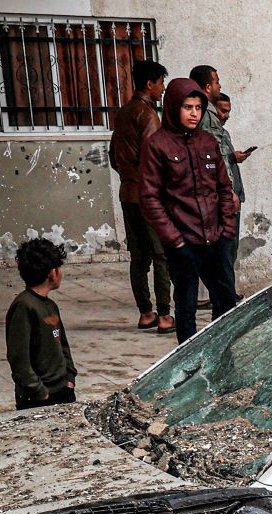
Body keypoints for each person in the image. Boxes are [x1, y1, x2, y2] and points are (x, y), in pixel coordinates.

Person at [139, 77, 238, 343]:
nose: (194, 114)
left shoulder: (207, 141)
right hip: (183, 242)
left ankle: (222, 352)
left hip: (216, 238)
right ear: (173, 107)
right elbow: (150, 199)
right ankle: (188, 363)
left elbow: (223, 188)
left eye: (198, 107)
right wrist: (175, 240)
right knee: (186, 306)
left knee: (226, 299)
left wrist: (227, 229)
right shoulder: (157, 145)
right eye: (187, 107)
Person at [109, 59, 174, 335]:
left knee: (138, 257)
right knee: (161, 256)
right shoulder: (148, 115)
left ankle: (145, 313)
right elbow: (155, 158)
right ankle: (164, 315)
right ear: (150, 83)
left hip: (128, 192)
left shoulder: (123, 112)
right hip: (148, 195)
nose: (162, 89)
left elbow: (113, 156)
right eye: (160, 83)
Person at [5, 238, 76, 411]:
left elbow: (62, 345)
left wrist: (69, 378)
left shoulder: (50, 305)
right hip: (39, 397)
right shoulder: (24, 306)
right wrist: (38, 390)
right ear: (52, 273)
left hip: (62, 389)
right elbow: (18, 357)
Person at [211, 92, 251, 271]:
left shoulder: (223, 133)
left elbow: (225, 161)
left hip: (234, 196)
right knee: (223, 250)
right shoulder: (209, 133)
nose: (226, 115)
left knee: (231, 249)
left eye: (228, 111)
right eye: (223, 111)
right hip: (224, 198)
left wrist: (235, 157)